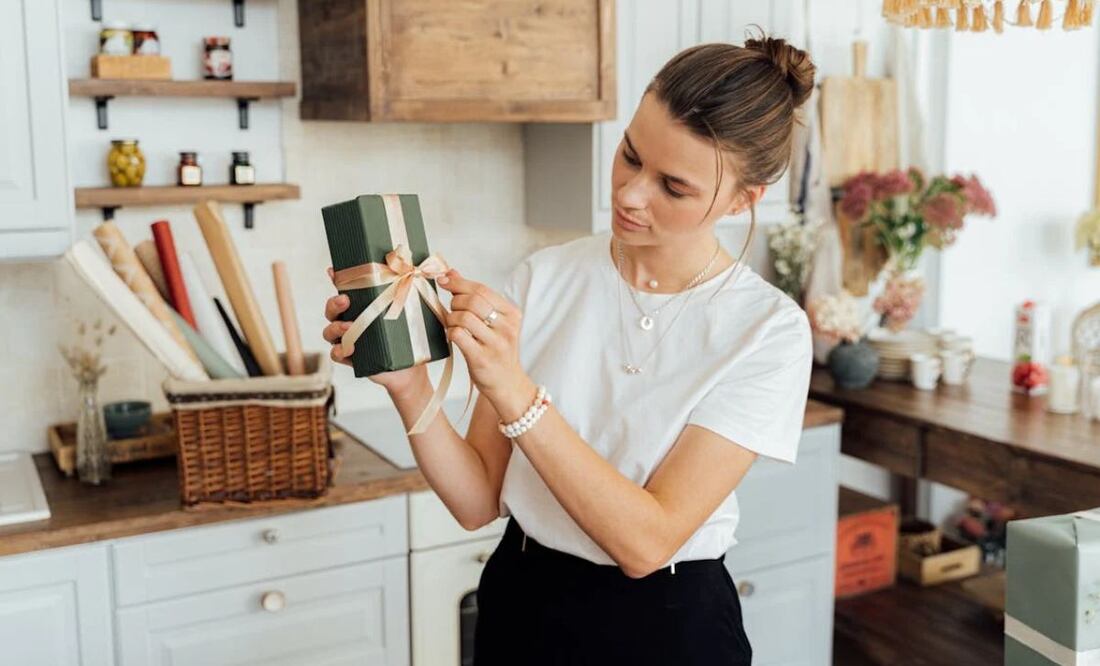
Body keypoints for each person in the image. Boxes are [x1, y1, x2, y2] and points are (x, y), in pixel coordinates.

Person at [322, 28, 817, 666]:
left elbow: (646, 544)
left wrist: (514, 390)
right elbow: (477, 502)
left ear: (745, 199)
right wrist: (409, 385)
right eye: (631, 155)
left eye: (674, 186)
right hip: (523, 602)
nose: (631, 194)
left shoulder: (767, 330)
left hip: (669, 625)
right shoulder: (545, 277)